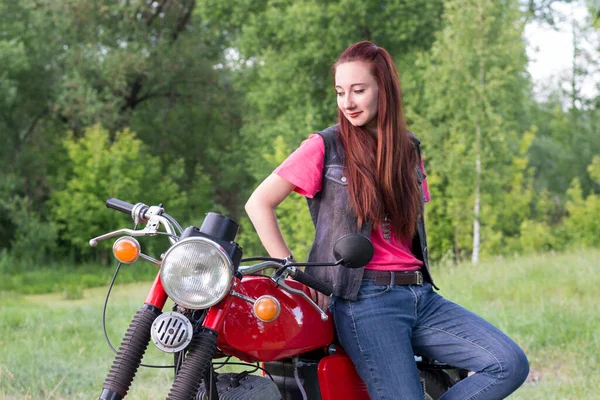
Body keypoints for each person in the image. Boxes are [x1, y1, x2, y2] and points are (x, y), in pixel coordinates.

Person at [245, 41, 529, 400]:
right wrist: (296, 273)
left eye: (358, 90)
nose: (347, 102)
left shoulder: (408, 149)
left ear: (385, 89)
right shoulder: (325, 146)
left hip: (420, 296)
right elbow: (259, 203)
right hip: (365, 301)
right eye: (340, 92)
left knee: (508, 363)